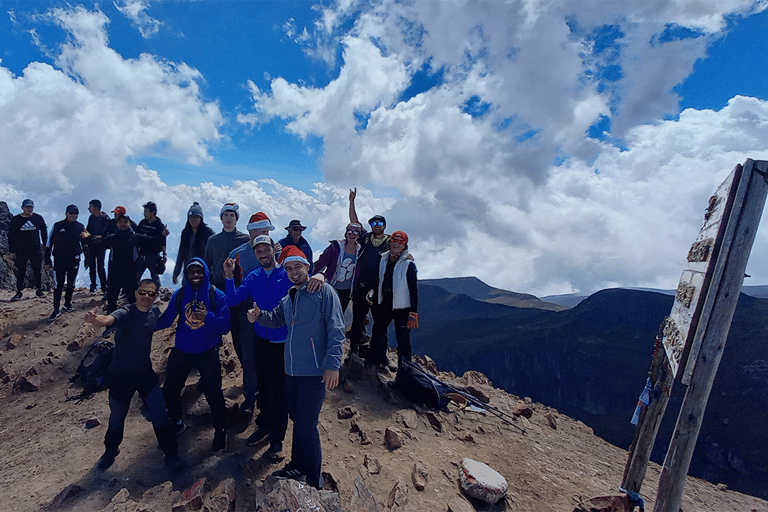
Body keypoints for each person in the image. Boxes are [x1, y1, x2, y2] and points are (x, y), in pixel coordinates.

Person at [247, 245, 345, 488]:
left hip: (313, 373)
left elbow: (337, 330)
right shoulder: (289, 297)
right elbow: (276, 319)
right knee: (297, 421)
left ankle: (314, 482)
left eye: (298, 266)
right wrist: (259, 315)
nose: (293, 272)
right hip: (291, 371)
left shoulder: (325, 292)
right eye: (289, 268)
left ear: (307, 267)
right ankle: (298, 466)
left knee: (306, 427)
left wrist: (333, 365)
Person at [83, 279, 180, 470]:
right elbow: (109, 319)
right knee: (117, 417)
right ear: (136, 293)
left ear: (155, 297)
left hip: (144, 373)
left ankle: (171, 454)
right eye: (142, 292)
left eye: (151, 294)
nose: (146, 297)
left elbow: (165, 321)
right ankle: (110, 451)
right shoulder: (126, 311)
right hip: (120, 375)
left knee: (160, 414)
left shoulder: (154, 313)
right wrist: (96, 320)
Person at [224, 235, 292, 459]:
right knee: (263, 388)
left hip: (283, 343)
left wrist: (320, 276)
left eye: (266, 250)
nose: (263, 255)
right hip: (261, 340)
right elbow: (233, 299)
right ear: (255, 254)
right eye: (258, 252)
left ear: (274, 249)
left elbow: (306, 286)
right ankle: (264, 425)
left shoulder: (287, 274)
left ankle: (276, 440)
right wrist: (227, 276)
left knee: (280, 393)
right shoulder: (253, 277)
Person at [157, 258, 230, 452]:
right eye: (192, 272)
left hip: (208, 351)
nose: (196, 275)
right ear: (187, 275)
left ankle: (220, 430)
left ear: (205, 273)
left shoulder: (217, 295)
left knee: (214, 394)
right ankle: (176, 422)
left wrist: (208, 317)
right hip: (182, 350)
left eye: (199, 272)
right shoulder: (180, 295)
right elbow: (166, 320)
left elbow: (225, 326)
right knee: (170, 390)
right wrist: (143, 326)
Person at [226, 211, 279, 418]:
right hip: (245, 309)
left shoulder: (275, 250)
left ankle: (268, 394)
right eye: (263, 230)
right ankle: (250, 396)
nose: (266, 234)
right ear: (252, 231)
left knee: (269, 353)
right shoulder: (236, 253)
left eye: (267, 231)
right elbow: (232, 283)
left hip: (271, 310)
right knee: (248, 354)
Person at [102, 214, 166, 335]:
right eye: (120, 222)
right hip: (114, 274)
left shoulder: (135, 237)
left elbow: (153, 241)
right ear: (117, 224)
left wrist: (162, 235)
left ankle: (132, 325)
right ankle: (109, 327)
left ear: (129, 224)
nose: (122, 224)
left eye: (125, 222)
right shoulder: (113, 237)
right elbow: (99, 243)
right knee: (112, 301)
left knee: (133, 301)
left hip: (130, 275)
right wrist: (86, 238)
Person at [348, 188, 390, 355]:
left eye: (380, 224)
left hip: (381, 288)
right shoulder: (365, 238)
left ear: (384, 226)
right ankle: (353, 351)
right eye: (374, 224)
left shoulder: (390, 241)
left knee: (380, 323)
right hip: (362, 285)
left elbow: (400, 253)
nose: (376, 226)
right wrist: (351, 202)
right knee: (357, 320)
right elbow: (354, 222)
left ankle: (380, 355)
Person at [368, 231, 418, 373]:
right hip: (384, 302)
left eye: (400, 242)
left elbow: (414, 289)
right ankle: (375, 361)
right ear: (389, 243)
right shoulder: (383, 259)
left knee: (403, 341)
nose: (396, 244)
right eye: (394, 241)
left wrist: (413, 312)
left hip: (402, 307)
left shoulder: (408, 264)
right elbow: (378, 279)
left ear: (404, 245)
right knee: (378, 331)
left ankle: (405, 375)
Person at [45, 205, 86, 321]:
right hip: (59, 260)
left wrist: (87, 258)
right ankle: (56, 309)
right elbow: (48, 245)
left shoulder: (80, 227)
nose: (73, 216)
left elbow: (85, 244)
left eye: (76, 213)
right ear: (66, 213)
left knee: (71, 283)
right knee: (58, 284)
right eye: (71, 213)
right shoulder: (57, 226)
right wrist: (47, 260)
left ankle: (68, 304)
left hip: (74, 259)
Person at [310, 222, 362, 312]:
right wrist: (313, 276)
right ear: (346, 233)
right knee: (325, 313)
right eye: (350, 231)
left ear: (358, 235)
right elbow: (322, 262)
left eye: (355, 232)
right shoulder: (336, 246)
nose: (352, 234)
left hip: (347, 291)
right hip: (331, 287)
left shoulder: (360, 251)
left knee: (339, 314)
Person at [8, 199, 47, 301]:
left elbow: (43, 232)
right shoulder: (16, 220)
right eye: (27, 207)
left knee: (37, 269)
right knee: (21, 270)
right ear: (23, 208)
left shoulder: (38, 218)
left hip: (35, 248)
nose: (29, 209)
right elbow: (11, 236)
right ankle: (19, 291)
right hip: (21, 249)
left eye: (31, 207)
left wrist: (46, 246)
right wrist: (12, 251)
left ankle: (39, 290)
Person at [172, 202, 215, 285]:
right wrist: (176, 273)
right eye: (191, 217)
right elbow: (181, 254)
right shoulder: (185, 233)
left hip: (204, 270)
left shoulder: (208, 233)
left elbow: (213, 254)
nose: (193, 220)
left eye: (196, 217)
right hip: (189, 269)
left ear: (201, 218)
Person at [134, 201, 167, 287]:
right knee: (136, 276)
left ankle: (156, 293)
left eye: (146, 212)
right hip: (141, 254)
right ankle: (131, 294)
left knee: (155, 277)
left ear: (152, 213)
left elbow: (163, 241)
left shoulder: (159, 225)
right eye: (144, 212)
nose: (144, 214)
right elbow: (137, 233)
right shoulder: (143, 223)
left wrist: (164, 254)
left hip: (153, 255)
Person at [84, 199, 110, 296]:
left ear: (95, 208)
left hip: (101, 245)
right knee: (92, 266)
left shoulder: (105, 219)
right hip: (92, 244)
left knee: (100, 266)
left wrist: (101, 237)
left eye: (90, 207)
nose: (89, 209)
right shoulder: (91, 218)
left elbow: (109, 232)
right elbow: (89, 230)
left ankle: (104, 287)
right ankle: (93, 286)